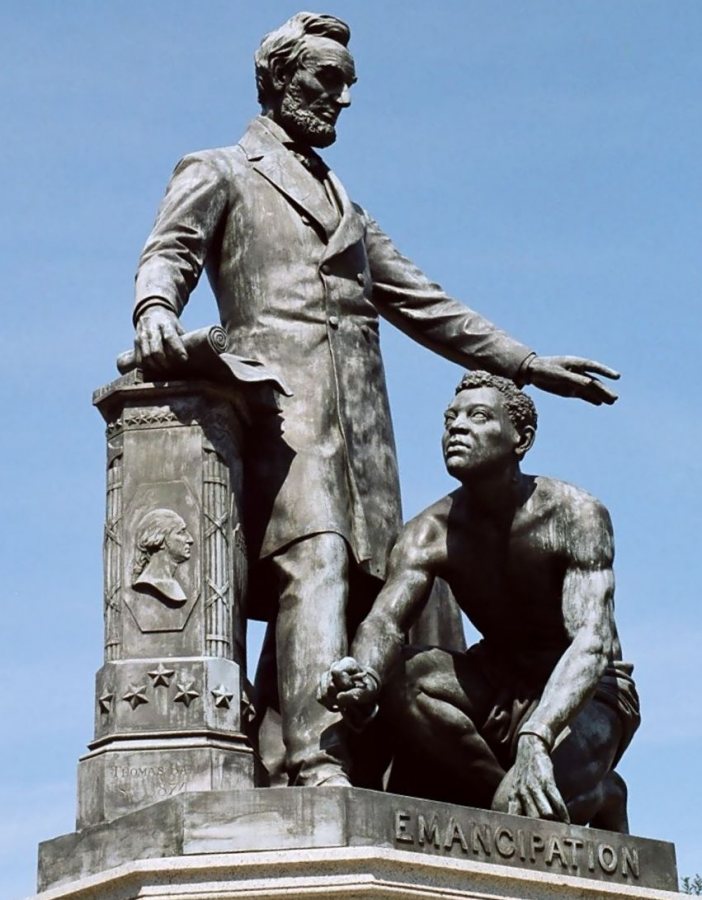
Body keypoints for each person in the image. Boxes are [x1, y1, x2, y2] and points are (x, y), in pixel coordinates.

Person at [132, 12, 620, 788]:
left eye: (349, 83)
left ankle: (348, 757)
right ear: (278, 79)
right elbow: (169, 253)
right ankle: (314, 763)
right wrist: (155, 311)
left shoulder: (348, 210)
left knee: (375, 588)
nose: (343, 98)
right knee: (315, 564)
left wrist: (524, 364)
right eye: (328, 80)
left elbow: (428, 305)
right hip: (279, 422)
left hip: (366, 444)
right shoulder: (221, 169)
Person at [320, 372, 639, 830]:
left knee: (524, 815)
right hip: (498, 683)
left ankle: (604, 791)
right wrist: (365, 675)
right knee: (403, 678)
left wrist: (538, 733)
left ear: (521, 438)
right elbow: (385, 624)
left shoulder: (574, 513)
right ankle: (503, 796)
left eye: (479, 416)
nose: (457, 427)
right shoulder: (429, 531)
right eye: (450, 419)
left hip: (586, 692)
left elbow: (591, 642)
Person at [131, 509, 194, 604]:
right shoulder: (148, 583)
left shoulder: (173, 584)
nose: (190, 539)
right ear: (159, 539)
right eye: (181, 532)